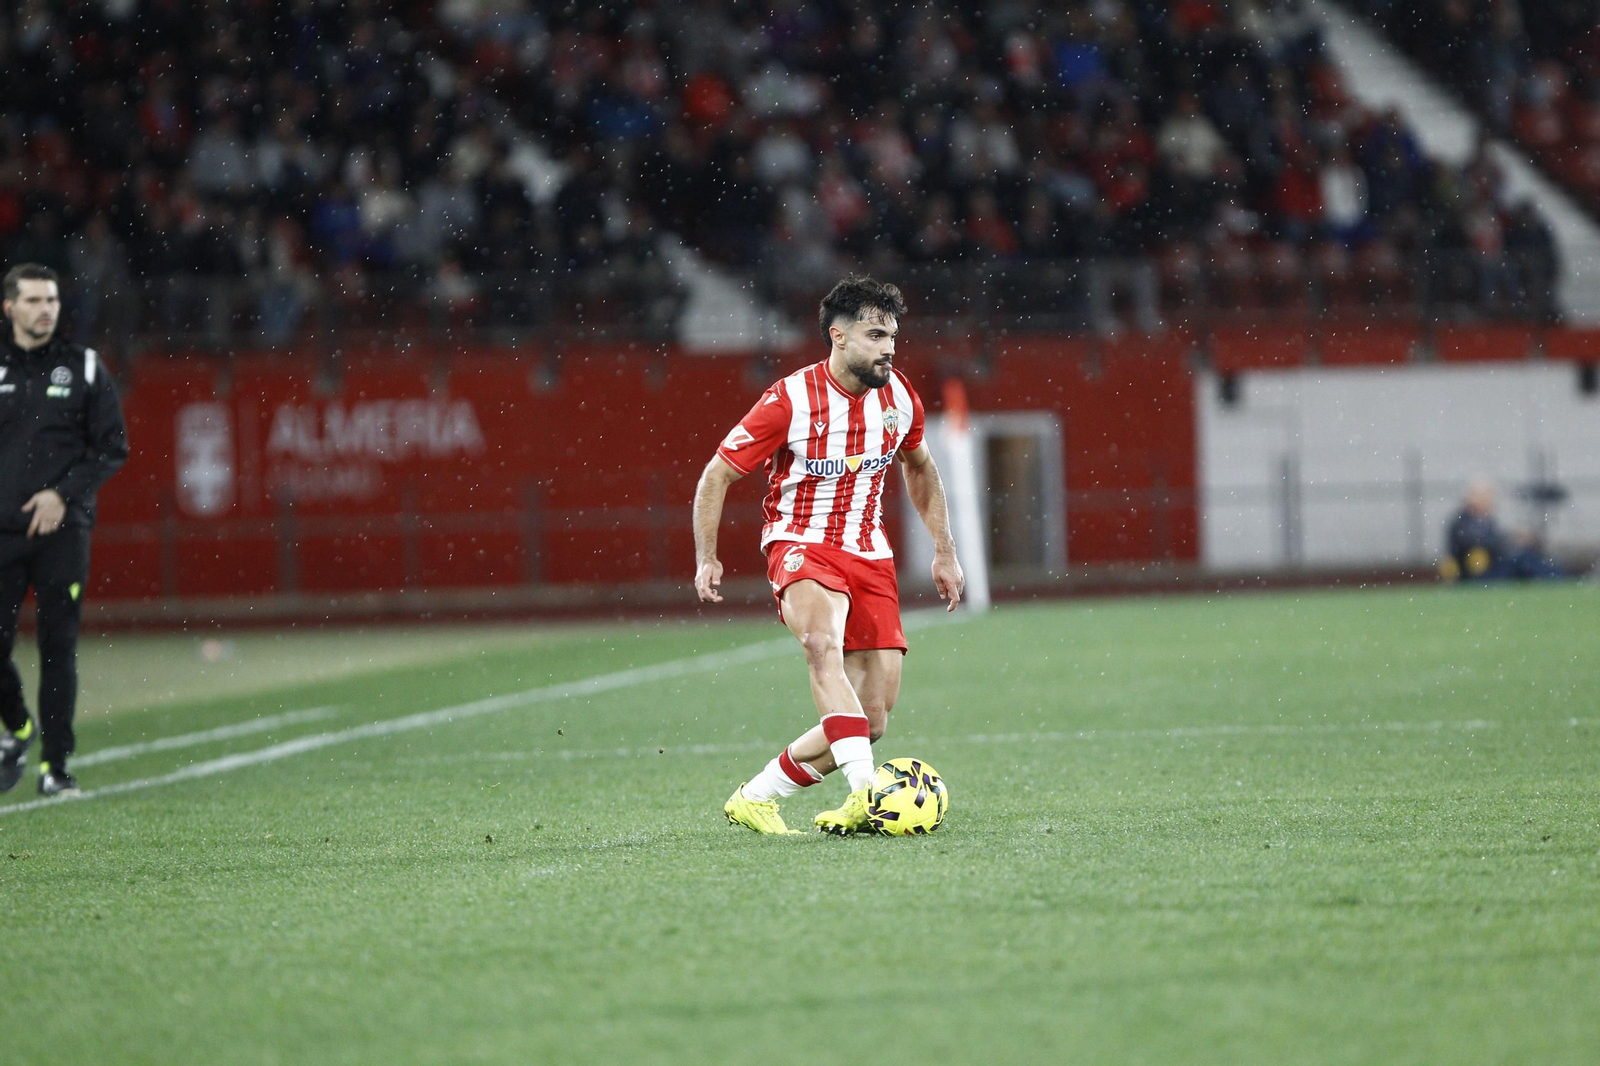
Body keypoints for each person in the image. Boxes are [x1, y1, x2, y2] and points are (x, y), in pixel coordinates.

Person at [693, 275, 965, 835]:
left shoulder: (899, 397)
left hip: (869, 552)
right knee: (822, 646)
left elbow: (919, 468)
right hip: (801, 542)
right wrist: (707, 556)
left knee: (872, 718)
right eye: (874, 334)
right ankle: (866, 794)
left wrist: (944, 551)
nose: (888, 347)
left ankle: (755, 796)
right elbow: (717, 474)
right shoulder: (790, 400)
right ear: (837, 337)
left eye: (892, 335)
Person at [0, 264, 130, 797]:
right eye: (32, 300)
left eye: (51, 299)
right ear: (8, 308)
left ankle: (55, 767)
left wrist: (62, 495)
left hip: (63, 530)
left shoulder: (86, 367)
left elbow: (113, 447)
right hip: (2, 532)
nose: (45, 309)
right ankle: (19, 728)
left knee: (58, 648)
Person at [1445, 479, 1567, 581]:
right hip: (1479, 575)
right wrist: (1512, 539)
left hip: (1492, 569)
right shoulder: (1462, 522)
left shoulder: (1485, 521)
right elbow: (1479, 542)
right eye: (1486, 496)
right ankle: (1558, 578)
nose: (1491, 501)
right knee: (1522, 560)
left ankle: (1557, 576)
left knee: (1526, 556)